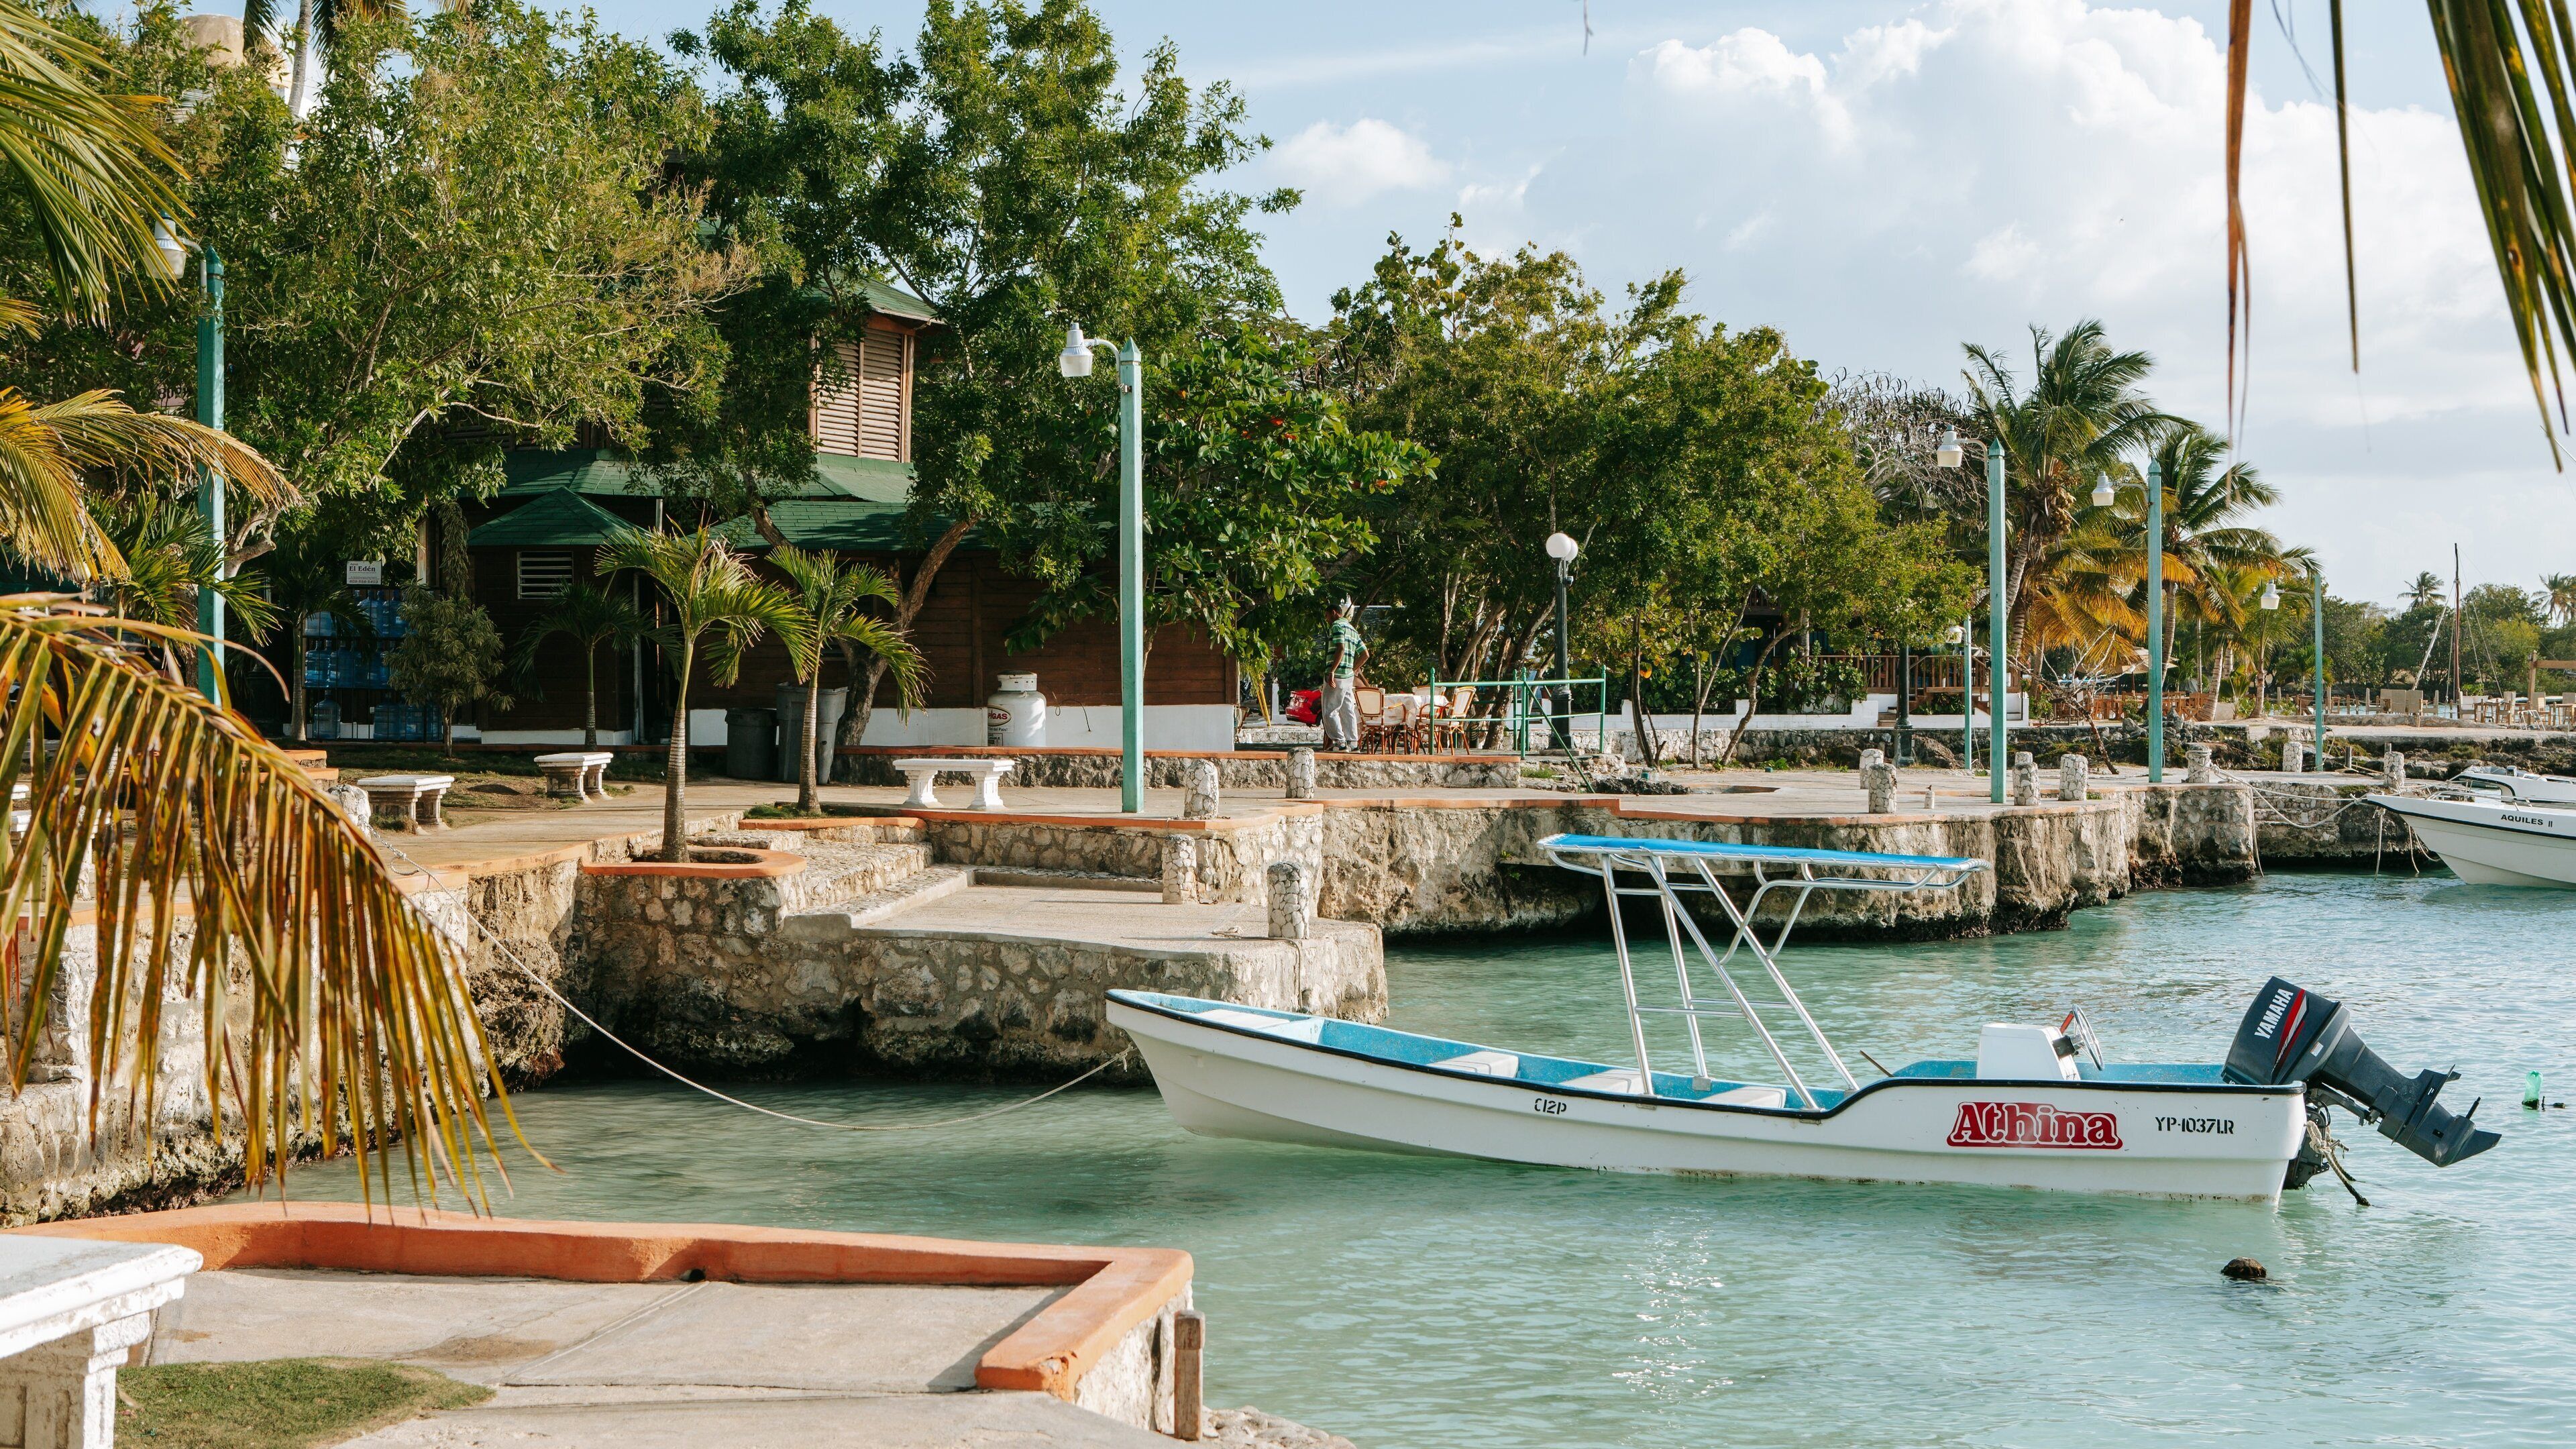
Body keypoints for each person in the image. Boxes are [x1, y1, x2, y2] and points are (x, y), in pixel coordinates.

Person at [1320, 599, 1367, 750]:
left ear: (1334, 613)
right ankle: (1353, 743)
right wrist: (1352, 670)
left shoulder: (1337, 626)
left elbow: (1340, 648)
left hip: (1337, 676)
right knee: (1347, 710)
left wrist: (1332, 671)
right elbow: (1365, 654)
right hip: (1348, 678)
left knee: (1329, 711)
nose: (1327, 619)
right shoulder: (1353, 630)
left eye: (1327, 616)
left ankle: (1340, 742)